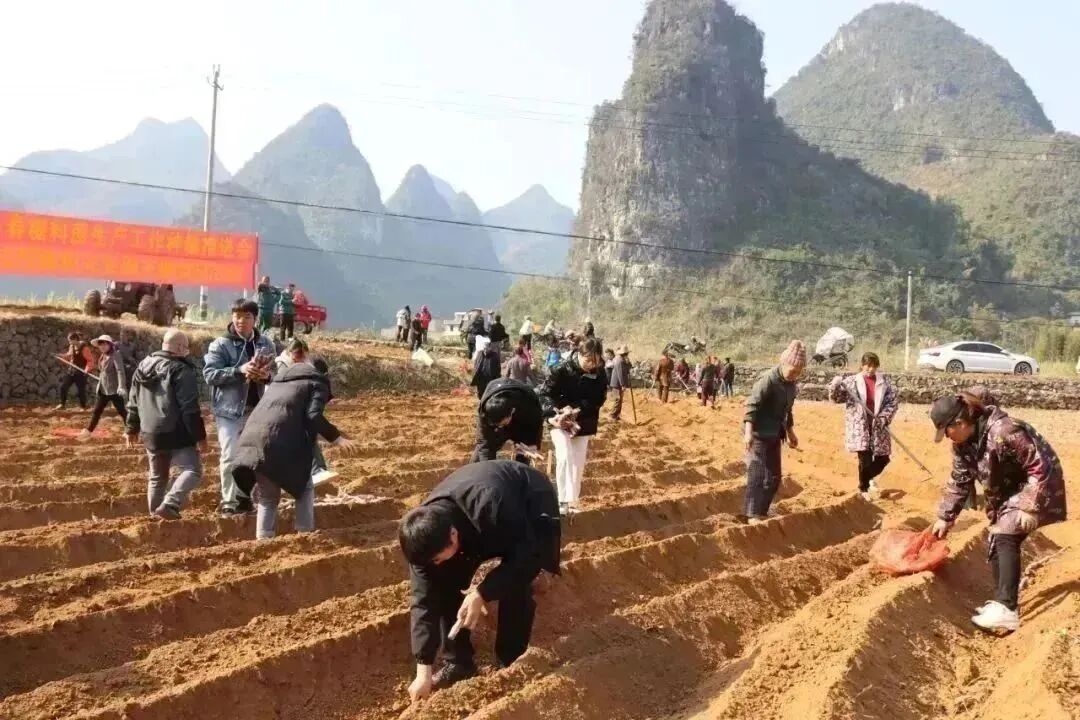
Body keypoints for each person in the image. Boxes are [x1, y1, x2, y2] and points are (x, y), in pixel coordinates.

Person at [400, 460, 561, 701]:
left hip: (526, 498)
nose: (434, 564)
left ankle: (510, 659)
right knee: (444, 584)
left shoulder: (494, 509)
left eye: (436, 559)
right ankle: (459, 663)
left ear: (453, 536)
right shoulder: (423, 541)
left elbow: (526, 558)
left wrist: (483, 592)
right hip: (478, 506)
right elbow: (423, 601)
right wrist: (423, 670)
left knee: (517, 584)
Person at [929, 392, 1067, 633]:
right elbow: (960, 481)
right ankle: (1001, 603)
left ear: (960, 423)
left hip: (1038, 486)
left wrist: (1030, 506)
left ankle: (1007, 609)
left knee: (1006, 535)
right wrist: (945, 517)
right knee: (996, 540)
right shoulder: (963, 446)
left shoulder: (1004, 430)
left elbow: (1039, 466)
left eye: (947, 431)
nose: (948, 437)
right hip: (1008, 493)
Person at [231, 361, 355, 540]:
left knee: (268, 497)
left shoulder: (279, 381)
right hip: (278, 442)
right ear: (324, 374)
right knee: (304, 486)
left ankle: (263, 542)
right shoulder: (316, 382)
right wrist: (337, 438)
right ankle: (305, 535)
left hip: (251, 440)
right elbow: (313, 415)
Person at [203, 299, 276, 516]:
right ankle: (229, 500)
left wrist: (266, 376)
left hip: (257, 409)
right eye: (237, 316)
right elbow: (210, 375)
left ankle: (245, 498)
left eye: (246, 317)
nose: (240, 321)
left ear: (255, 319)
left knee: (255, 456)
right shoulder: (220, 345)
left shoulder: (266, 344)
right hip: (230, 410)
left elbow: (276, 375)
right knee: (230, 455)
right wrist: (239, 370)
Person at [125, 329, 207, 520]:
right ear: (178, 347)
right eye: (185, 348)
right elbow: (189, 408)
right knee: (192, 470)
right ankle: (170, 503)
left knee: (157, 477)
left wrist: (131, 428)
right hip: (176, 430)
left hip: (150, 431)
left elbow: (133, 400)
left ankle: (155, 517)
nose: (187, 352)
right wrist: (200, 437)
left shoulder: (143, 365)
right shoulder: (181, 369)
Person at [537, 337, 607, 514]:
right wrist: (555, 413)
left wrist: (577, 410)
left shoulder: (600, 373)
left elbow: (598, 399)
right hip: (559, 420)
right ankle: (562, 501)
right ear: (579, 354)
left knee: (577, 463)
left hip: (583, 421)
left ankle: (573, 503)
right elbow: (544, 394)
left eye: (596, 361)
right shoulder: (561, 368)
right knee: (564, 455)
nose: (592, 365)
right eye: (588, 360)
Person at [742, 340, 805, 523]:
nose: (795, 375)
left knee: (774, 477)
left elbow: (788, 410)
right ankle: (752, 514)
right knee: (757, 475)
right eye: (792, 370)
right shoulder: (768, 379)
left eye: (798, 372)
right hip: (758, 433)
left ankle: (762, 511)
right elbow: (752, 405)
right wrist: (748, 433)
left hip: (775, 434)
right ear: (783, 363)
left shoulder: (791, 384)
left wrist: (791, 432)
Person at [828, 352, 899, 499]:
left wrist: (884, 417)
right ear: (862, 365)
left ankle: (867, 479)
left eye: (874, 366)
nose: (870, 369)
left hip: (878, 426)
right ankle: (864, 489)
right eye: (868, 365)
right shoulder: (851, 382)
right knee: (864, 459)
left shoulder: (885, 383)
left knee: (883, 458)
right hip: (860, 426)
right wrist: (835, 385)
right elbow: (836, 398)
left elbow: (892, 402)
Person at [471, 378, 544, 464]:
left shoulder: (529, 402)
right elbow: (484, 444)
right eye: (497, 425)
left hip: (523, 423)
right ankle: (472, 471)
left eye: (503, 424)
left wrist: (533, 444)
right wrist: (488, 468)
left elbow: (536, 424)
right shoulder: (485, 411)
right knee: (482, 454)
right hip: (496, 420)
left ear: (512, 411)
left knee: (524, 453)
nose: (499, 427)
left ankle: (519, 471)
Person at [78, 335, 128, 440]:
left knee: (122, 411)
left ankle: (130, 430)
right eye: (100, 345)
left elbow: (120, 371)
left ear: (109, 345)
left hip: (114, 389)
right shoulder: (102, 356)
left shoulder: (115, 355)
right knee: (97, 411)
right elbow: (102, 371)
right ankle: (89, 430)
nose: (102, 346)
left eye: (105, 344)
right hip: (103, 389)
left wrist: (121, 386)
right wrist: (91, 369)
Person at [57, 331, 96, 410]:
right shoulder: (72, 346)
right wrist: (60, 355)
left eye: (70, 341)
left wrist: (87, 369)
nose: (69, 342)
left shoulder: (84, 348)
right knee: (63, 387)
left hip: (81, 372)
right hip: (71, 370)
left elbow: (90, 361)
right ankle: (62, 404)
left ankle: (83, 406)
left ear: (75, 339)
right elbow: (69, 355)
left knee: (81, 390)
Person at [609, 345, 631, 421]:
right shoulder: (619, 360)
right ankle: (612, 415)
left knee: (620, 400)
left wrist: (628, 363)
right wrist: (623, 385)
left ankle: (616, 415)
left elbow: (628, 369)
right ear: (625, 353)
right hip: (617, 383)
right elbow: (620, 373)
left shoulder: (622, 359)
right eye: (627, 353)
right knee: (618, 399)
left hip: (618, 383)